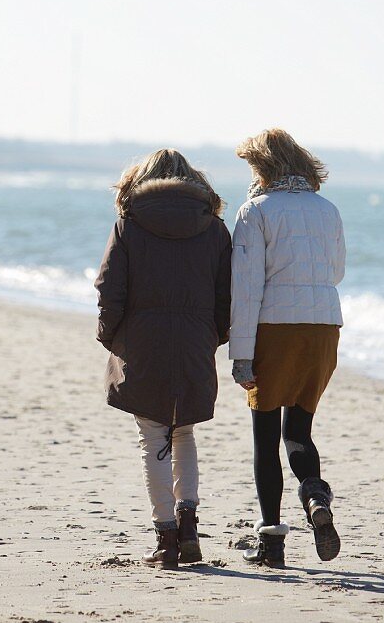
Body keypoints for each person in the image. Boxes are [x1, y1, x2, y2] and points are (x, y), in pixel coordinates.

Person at [95, 149, 231, 568]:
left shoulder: (130, 225)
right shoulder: (214, 229)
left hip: (142, 342)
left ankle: (166, 538)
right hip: (193, 342)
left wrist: (109, 338)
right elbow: (228, 295)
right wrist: (213, 336)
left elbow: (109, 289)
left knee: (153, 437)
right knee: (184, 433)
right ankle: (188, 525)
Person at [230, 128, 346, 568]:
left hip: (273, 329)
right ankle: (315, 494)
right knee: (299, 430)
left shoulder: (254, 211)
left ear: (262, 165)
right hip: (323, 327)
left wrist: (241, 354)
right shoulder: (327, 209)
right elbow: (335, 271)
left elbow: (246, 289)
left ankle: (272, 543)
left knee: (265, 438)